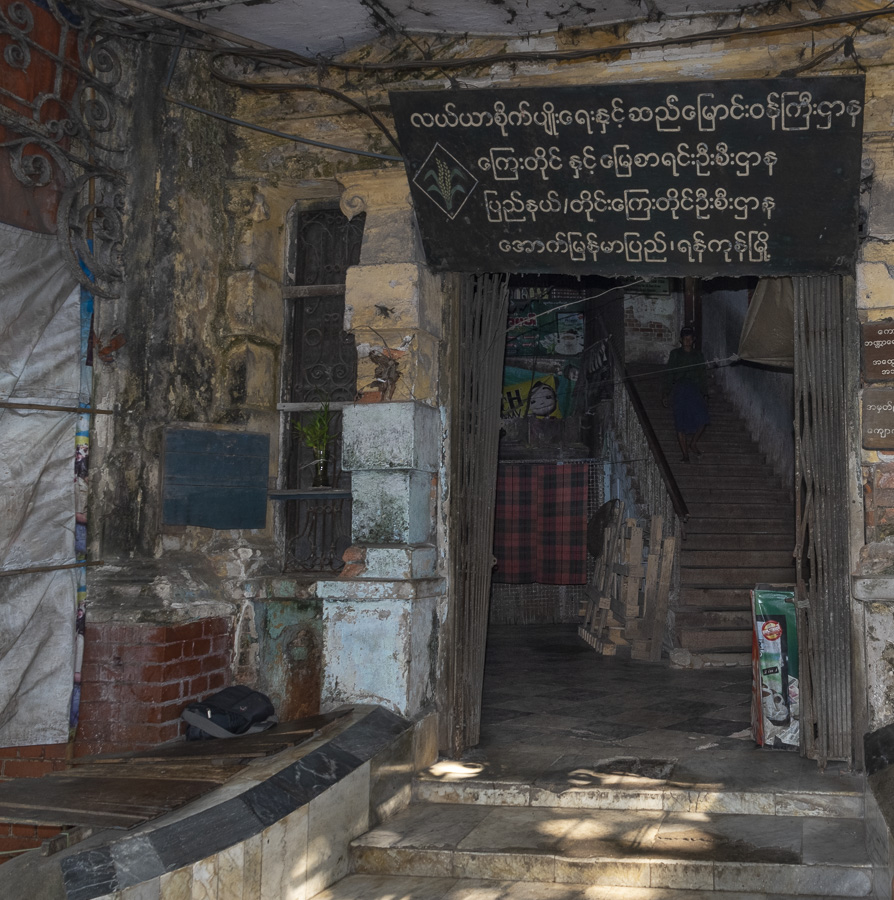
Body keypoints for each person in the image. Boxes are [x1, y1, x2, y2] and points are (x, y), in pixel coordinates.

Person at [662, 326, 709, 462]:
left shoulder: (698, 355)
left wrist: (705, 393)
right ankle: (685, 454)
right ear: (681, 340)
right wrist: (665, 392)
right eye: (685, 339)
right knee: (680, 422)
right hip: (680, 389)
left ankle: (693, 443)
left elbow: (702, 375)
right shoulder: (675, 354)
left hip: (694, 389)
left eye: (690, 339)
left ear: (693, 340)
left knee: (703, 418)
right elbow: (670, 373)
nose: (687, 341)